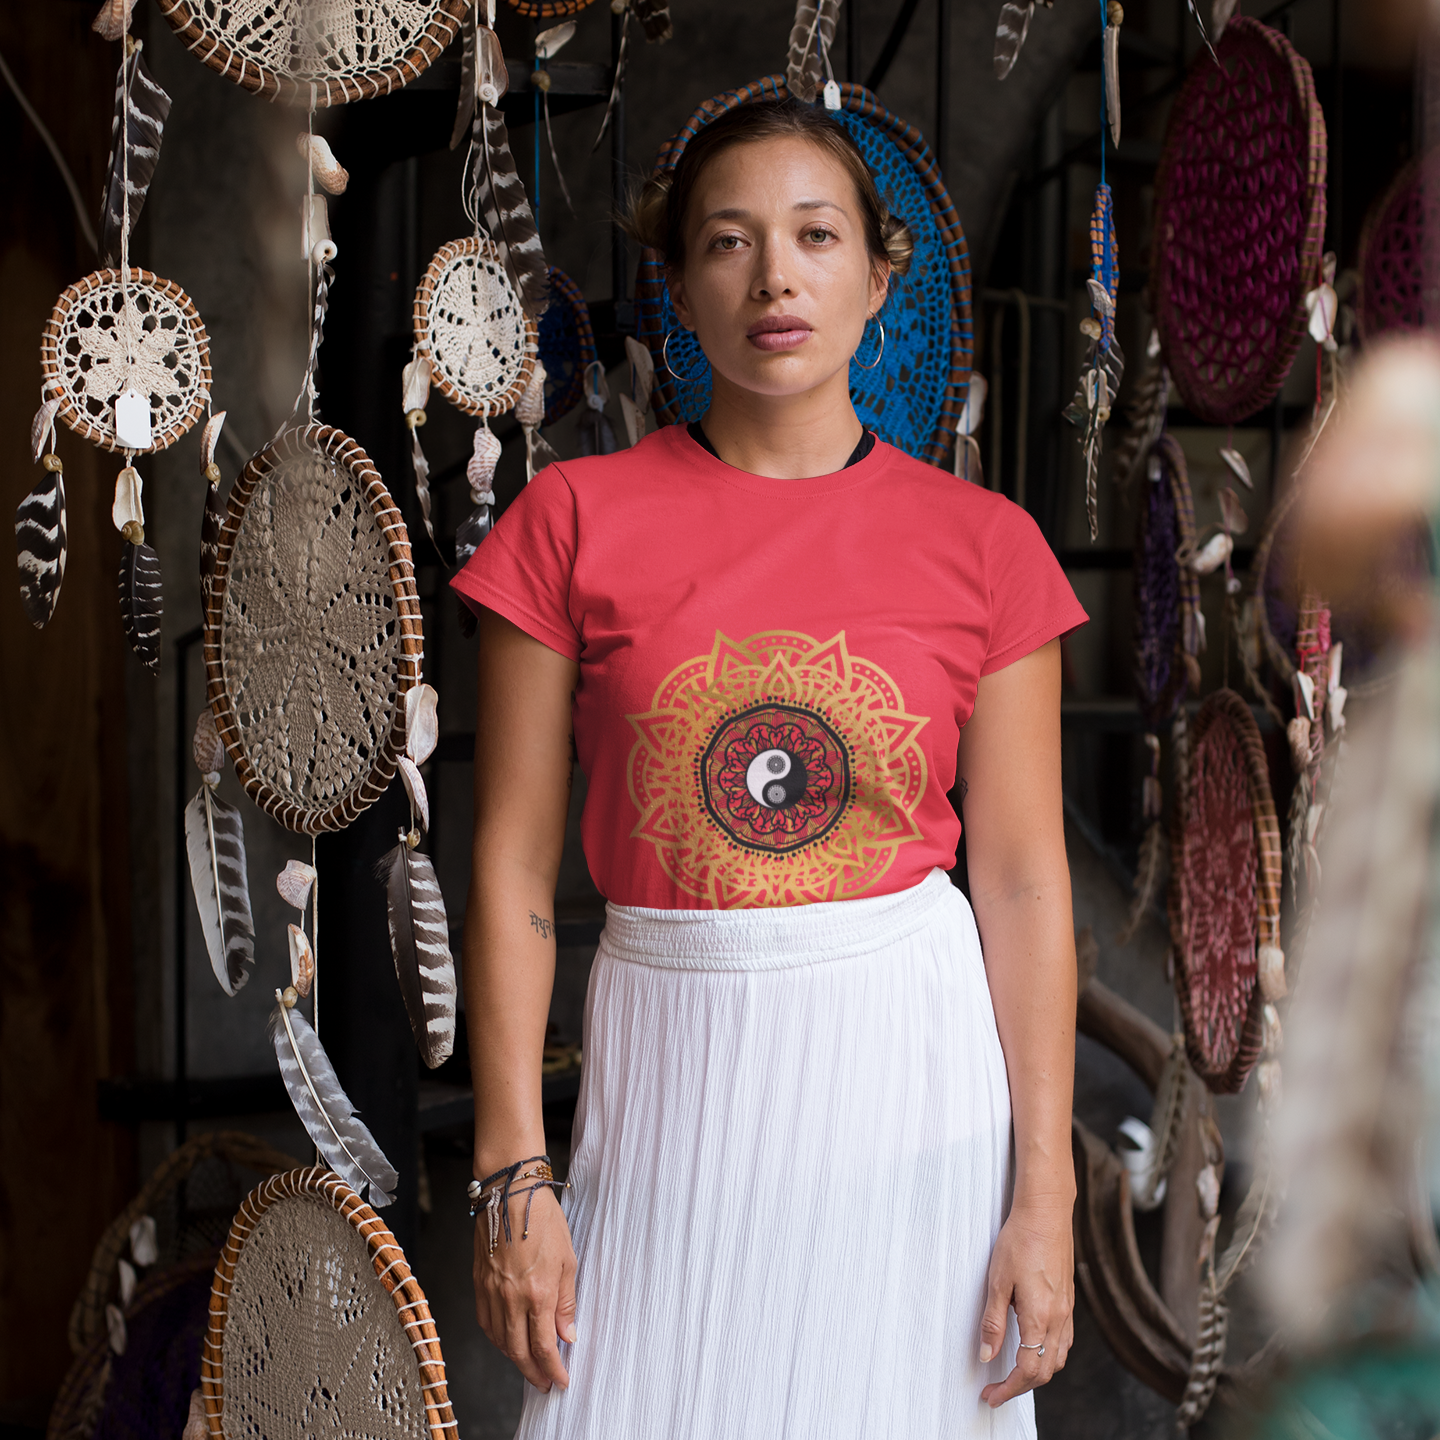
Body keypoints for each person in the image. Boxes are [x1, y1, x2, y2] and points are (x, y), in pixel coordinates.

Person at [453, 96, 1084, 1440]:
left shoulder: (986, 547)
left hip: (911, 1090)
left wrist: (1048, 1195)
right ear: (678, 284)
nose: (775, 276)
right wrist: (515, 1171)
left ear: (876, 276)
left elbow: (1024, 884)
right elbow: (509, 866)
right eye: (729, 243)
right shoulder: (572, 520)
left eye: (814, 236)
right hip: (668, 1069)